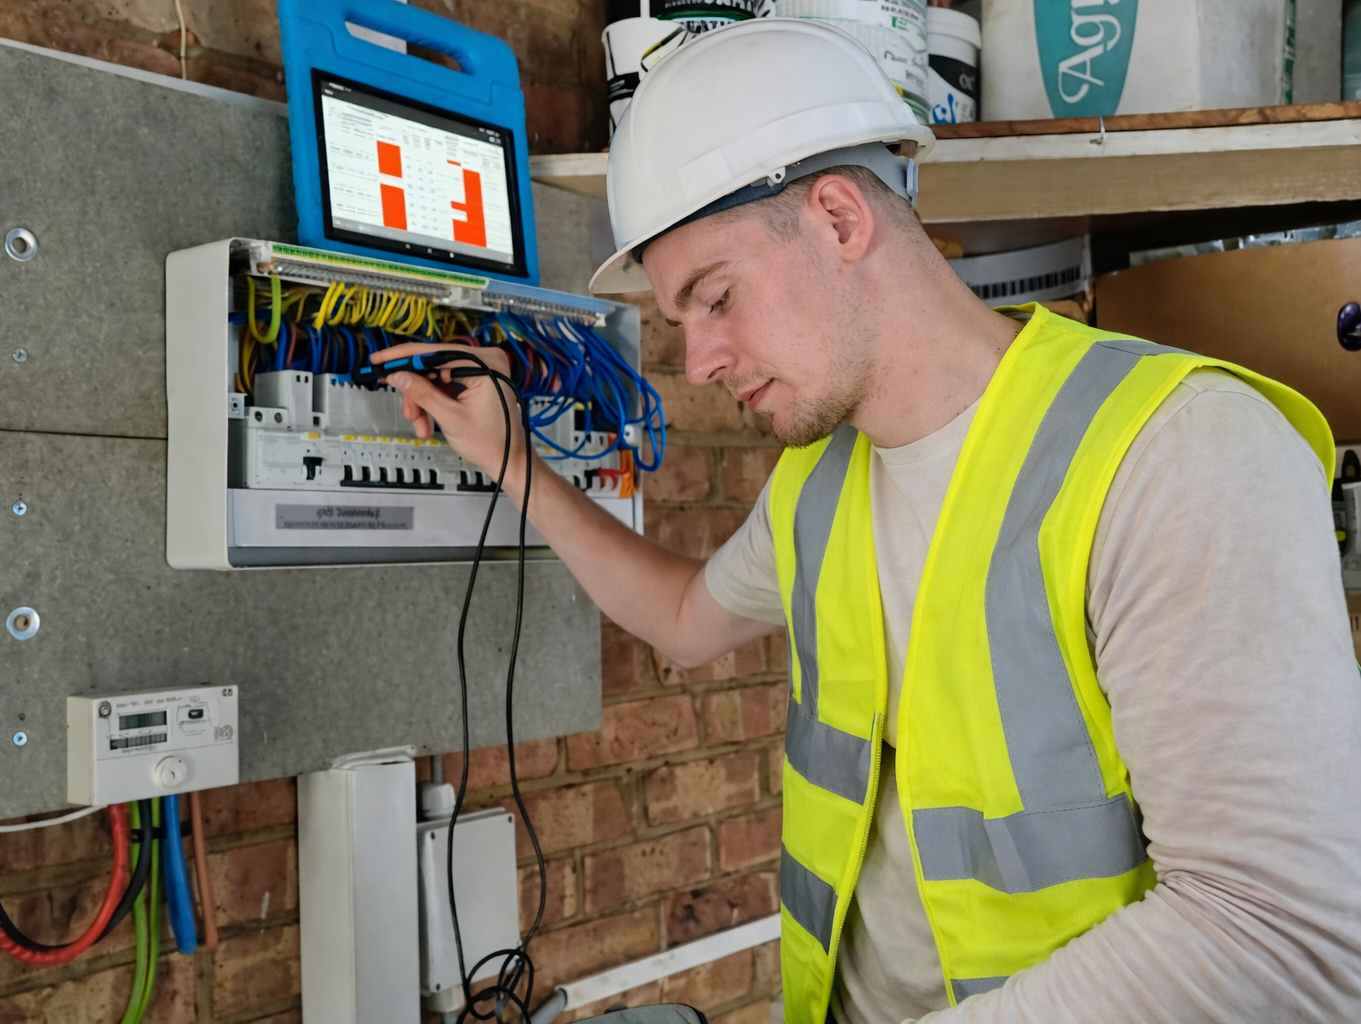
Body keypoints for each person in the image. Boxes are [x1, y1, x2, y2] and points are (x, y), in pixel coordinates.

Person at [376, 18, 1361, 1024]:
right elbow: (679, 615)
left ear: (841, 219)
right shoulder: (820, 485)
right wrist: (510, 460)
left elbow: (1280, 933)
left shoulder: (1176, 453)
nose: (701, 361)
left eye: (714, 298)